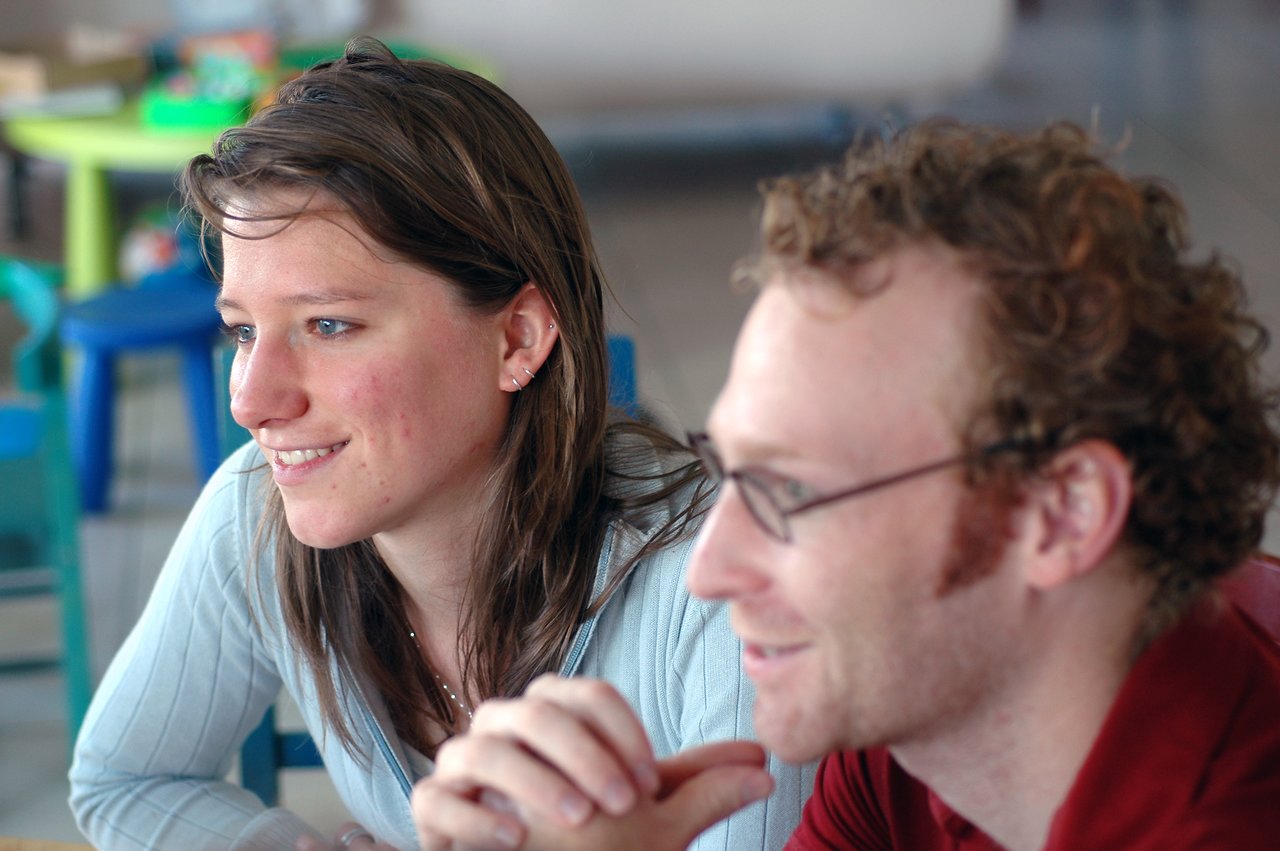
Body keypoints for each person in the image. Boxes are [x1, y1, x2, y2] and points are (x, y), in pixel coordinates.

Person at [409, 119, 1280, 850]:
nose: (709, 572)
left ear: (1060, 514)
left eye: (790, 492)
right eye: (731, 473)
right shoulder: (916, 722)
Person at [68, 39, 813, 851]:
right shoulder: (258, 512)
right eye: (244, 331)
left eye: (329, 325)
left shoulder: (721, 589)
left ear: (517, 339)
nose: (250, 401)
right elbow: (124, 780)